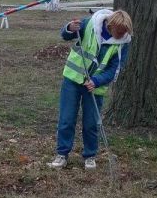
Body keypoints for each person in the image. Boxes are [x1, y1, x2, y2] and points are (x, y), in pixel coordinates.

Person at [49, 9, 132, 170]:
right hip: (73, 79)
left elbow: (114, 70)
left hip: (95, 88)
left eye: (124, 33)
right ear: (110, 25)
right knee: (66, 119)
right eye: (119, 32)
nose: (122, 35)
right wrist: (69, 28)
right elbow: (66, 35)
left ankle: (90, 156)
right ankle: (62, 154)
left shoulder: (124, 42)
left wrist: (96, 81)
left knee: (91, 123)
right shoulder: (89, 24)